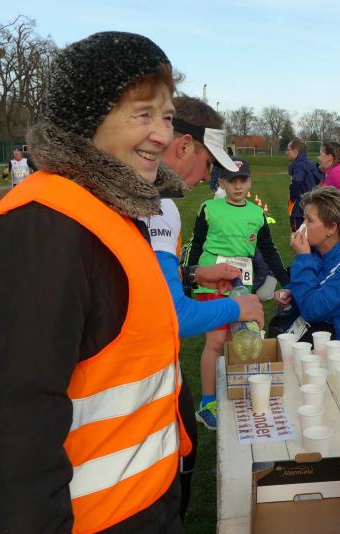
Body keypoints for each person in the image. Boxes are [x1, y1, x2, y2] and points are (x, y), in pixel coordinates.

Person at [0, 32, 190, 532]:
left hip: (139, 509)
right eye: (143, 114)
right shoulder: (39, 231)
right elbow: (7, 437)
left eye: (167, 117)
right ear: (87, 120)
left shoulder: (110, 210)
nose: (163, 135)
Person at [148, 95, 264, 521]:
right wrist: (240, 309)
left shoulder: (138, 196)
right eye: (209, 165)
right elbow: (173, 315)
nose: (207, 178)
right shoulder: (159, 206)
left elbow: (141, 277)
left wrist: (194, 273)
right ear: (183, 147)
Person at [185, 157, 289, 430]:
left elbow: (268, 249)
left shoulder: (256, 213)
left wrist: (286, 279)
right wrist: (189, 275)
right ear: (221, 182)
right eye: (232, 181)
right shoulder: (209, 208)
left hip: (241, 285)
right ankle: (207, 404)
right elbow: (196, 244)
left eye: (243, 180)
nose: (238, 186)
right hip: (211, 282)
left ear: (250, 182)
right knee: (217, 340)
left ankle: (233, 392)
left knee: (239, 339)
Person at [274, 186, 340, 341]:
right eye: (304, 218)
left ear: (331, 228)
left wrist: (303, 257)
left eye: (309, 220)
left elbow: (312, 309)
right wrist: (291, 291)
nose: (302, 226)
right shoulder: (320, 253)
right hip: (321, 341)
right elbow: (316, 285)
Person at [287, 138, 323, 231]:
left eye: (288, 149)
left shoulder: (299, 165)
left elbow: (297, 182)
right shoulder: (309, 164)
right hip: (312, 208)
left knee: (299, 236)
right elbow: (319, 179)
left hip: (299, 211)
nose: (287, 152)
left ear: (295, 151)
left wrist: (292, 198)